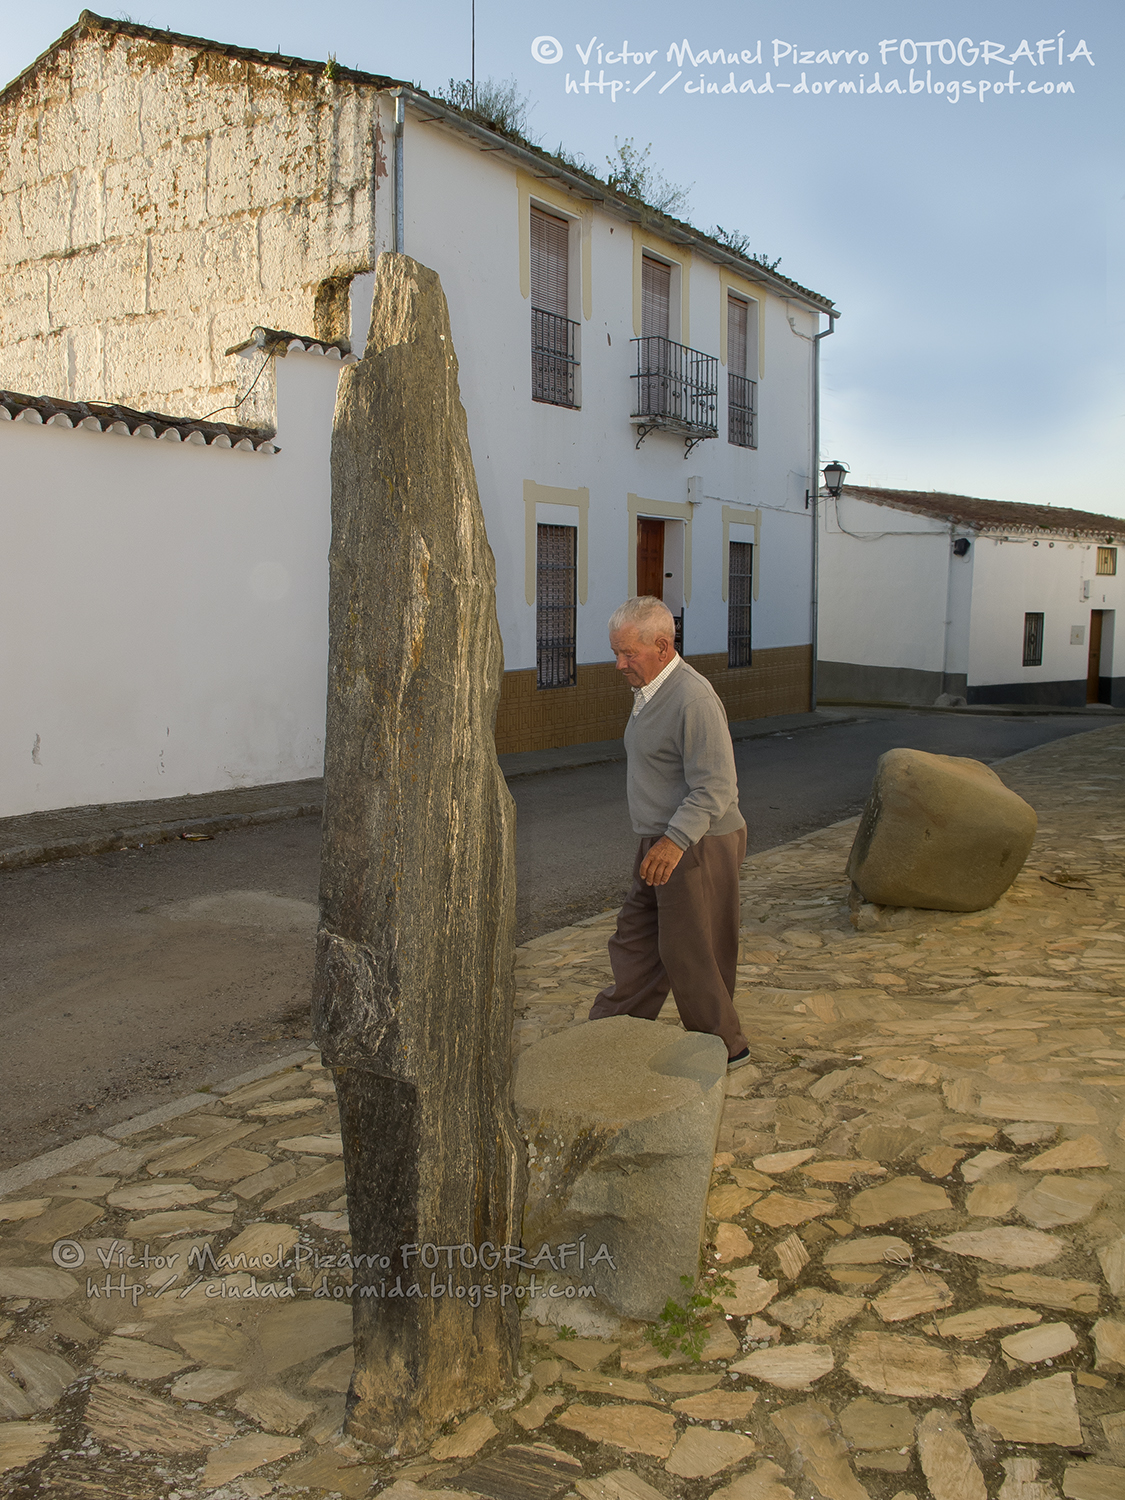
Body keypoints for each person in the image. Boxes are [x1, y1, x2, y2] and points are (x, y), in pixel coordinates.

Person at [588, 596, 752, 1068]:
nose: (618, 664)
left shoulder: (691, 697)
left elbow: (716, 785)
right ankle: (614, 1028)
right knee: (635, 936)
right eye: (615, 652)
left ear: (662, 645)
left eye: (628, 654)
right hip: (660, 840)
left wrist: (674, 840)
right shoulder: (650, 693)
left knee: (691, 948)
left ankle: (725, 1046)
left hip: (695, 842)